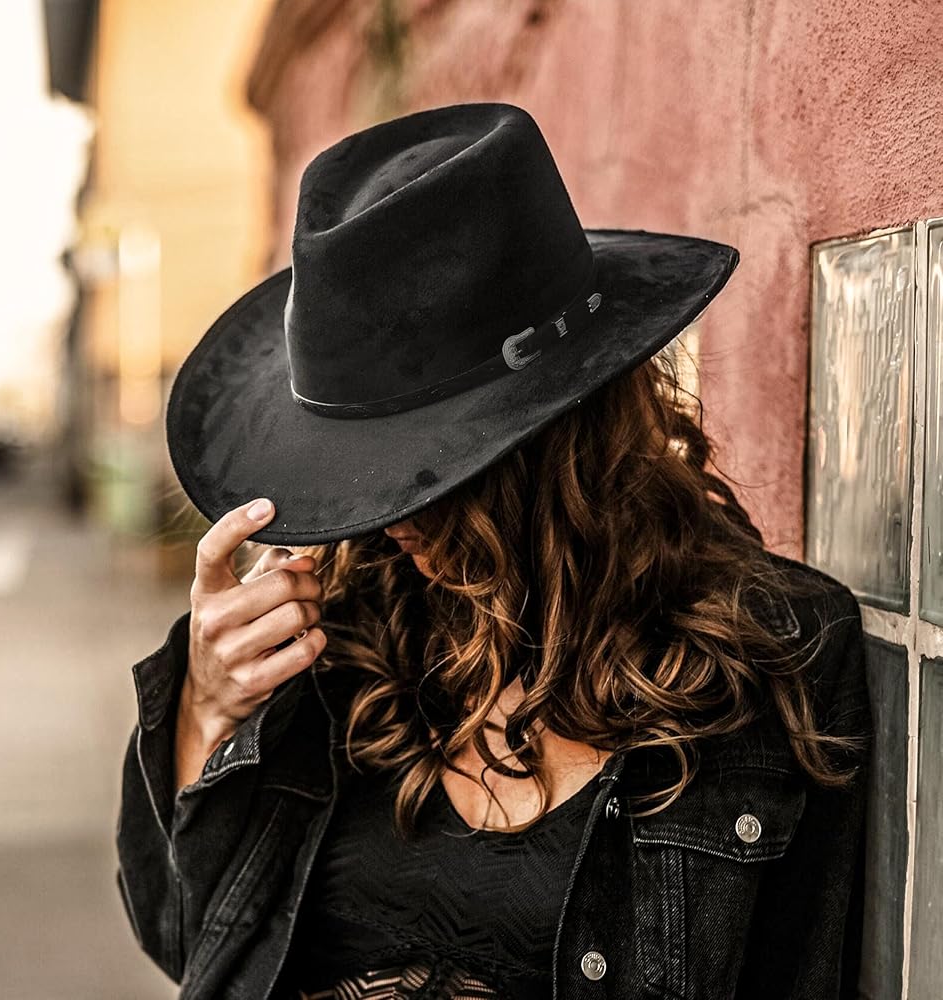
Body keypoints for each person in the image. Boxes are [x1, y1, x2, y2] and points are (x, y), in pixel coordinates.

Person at [115, 103, 872, 1000]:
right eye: (354, 466)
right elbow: (186, 942)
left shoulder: (774, 653)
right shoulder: (332, 637)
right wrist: (208, 709)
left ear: (550, 440)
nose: (379, 513)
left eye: (413, 467)